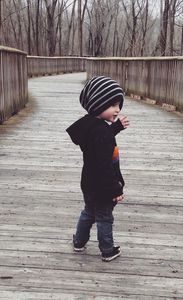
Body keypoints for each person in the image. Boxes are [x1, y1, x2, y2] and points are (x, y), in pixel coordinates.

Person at [66, 76, 129, 262]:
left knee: (89, 212)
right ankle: (107, 250)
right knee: (104, 217)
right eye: (112, 105)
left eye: (119, 104)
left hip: (88, 182)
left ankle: (79, 242)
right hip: (103, 185)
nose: (117, 109)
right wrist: (115, 188)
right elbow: (104, 165)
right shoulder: (102, 133)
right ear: (97, 104)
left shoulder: (89, 125)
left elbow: (99, 139)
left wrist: (115, 128)